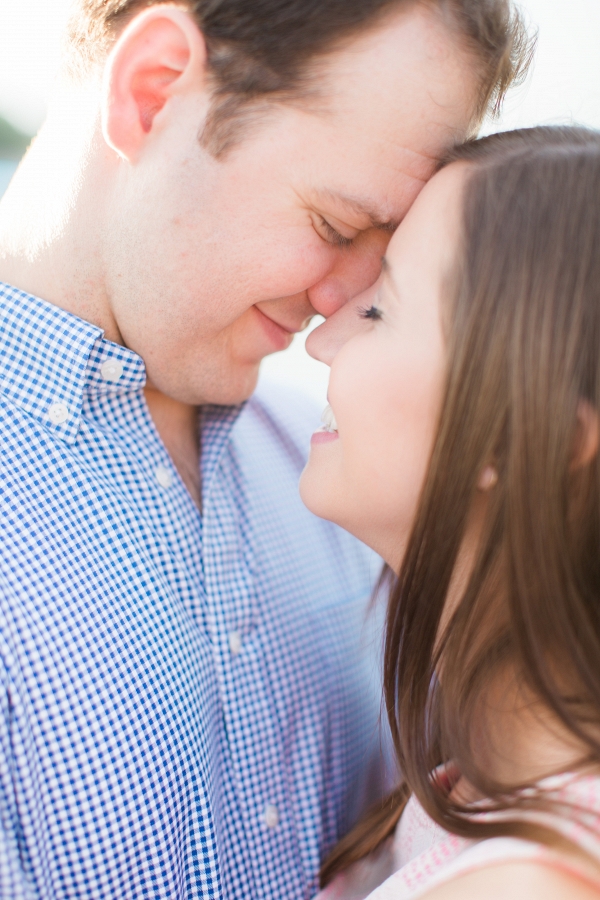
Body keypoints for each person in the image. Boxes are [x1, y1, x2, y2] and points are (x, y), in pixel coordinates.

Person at [0, 1, 527, 897]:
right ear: (153, 89)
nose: (344, 302)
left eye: (387, 252)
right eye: (333, 224)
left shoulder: (344, 487)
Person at [300, 125, 600, 900]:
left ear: (519, 427)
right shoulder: (478, 781)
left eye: (377, 312)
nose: (322, 338)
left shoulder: (527, 886)